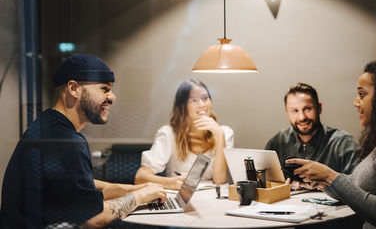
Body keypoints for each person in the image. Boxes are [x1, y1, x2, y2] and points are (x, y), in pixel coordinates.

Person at [0, 54, 166, 229]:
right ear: (73, 88)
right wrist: (140, 197)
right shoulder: (67, 142)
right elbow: (94, 219)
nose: (112, 97)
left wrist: (138, 189)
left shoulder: (48, 125)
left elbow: (79, 187)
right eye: (105, 89)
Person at [287, 56, 376, 229]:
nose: (355, 102)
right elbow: (354, 189)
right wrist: (321, 181)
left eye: (362, 94)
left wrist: (330, 176)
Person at [134, 79, 234, 190]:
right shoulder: (169, 134)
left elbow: (219, 180)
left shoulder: (225, 133)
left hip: (212, 198)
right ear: (183, 106)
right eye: (193, 100)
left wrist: (220, 136)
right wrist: (169, 182)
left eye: (205, 98)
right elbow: (140, 177)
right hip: (180, 198)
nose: (201, 105)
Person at [265, 83, 358, 178]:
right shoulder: (277, 143)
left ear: (319, 108)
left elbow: (357, 186)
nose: (302, 117)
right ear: (287, 113)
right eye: (295, 111)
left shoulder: (343, 143)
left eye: (307, 109)